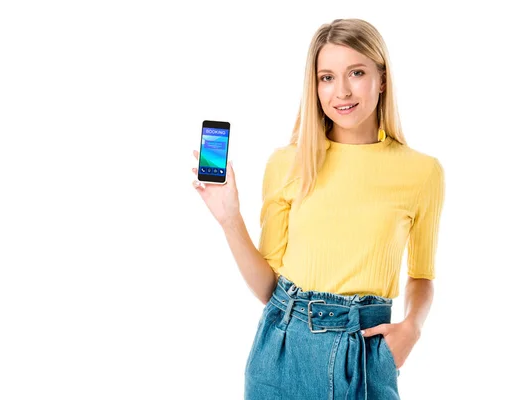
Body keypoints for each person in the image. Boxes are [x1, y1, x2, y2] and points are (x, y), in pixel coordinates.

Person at [191, 18, 445, 400]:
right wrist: (229, 218)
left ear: (382, 78)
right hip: (280, 352)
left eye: (356, 73)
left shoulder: (422, 172)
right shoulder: (288, 163)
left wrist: (413, 327)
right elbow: (267, 288)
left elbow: (422, 275)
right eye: (326, 77)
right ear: (315, 86)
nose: (341, 91)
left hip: (363, 356)